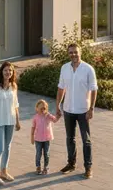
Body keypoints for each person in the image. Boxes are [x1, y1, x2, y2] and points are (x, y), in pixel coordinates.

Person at [55, 43, 98, 179]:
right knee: (70, 139)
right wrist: (58, 105)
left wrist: (91, 108)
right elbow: (61, 88)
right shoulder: (64, 68)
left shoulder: (88, 69)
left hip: (83, 110)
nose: (73, 54)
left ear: (80, 52)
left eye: (75, 52)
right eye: (71, 52)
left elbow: (94, 89)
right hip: (68, 110)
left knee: (86, 140)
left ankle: (88, 167)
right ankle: (71, 164)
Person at [0, 62, 21, 186]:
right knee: (0, 148)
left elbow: (16, 105)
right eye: (6, 70)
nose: (8, 73)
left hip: (10, 120)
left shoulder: (13, 86)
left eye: (10, 71)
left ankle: (4, 172)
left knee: (8, 147)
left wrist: (17, 121)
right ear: (1, 72)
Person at [30, 99, 59, 175]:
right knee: (38, 153)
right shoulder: (35, 117)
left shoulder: (48, 115)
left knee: (46, 153)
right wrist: (32, 137)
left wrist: (58, 115)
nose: (43, 110)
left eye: (44, 108)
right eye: (41, 108)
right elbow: (33, 127)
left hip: (46, 138)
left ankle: (46, 167)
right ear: (37, 108)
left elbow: (55, 120)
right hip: (38, 139)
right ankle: (38, 166)